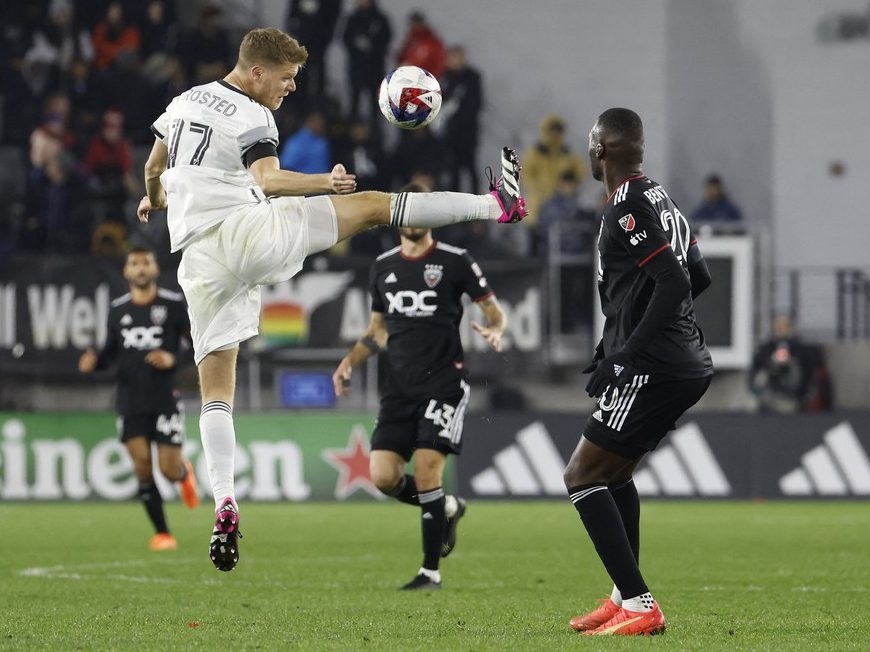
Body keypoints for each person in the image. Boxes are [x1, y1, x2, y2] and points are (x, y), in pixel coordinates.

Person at [135, 27, 527, 573]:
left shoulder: (182, 102)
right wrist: (325, 182)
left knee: (216, 389)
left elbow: (154, 170)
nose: (292, 87)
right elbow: (268, 180)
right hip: (247, 233)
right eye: (286, 78)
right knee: (370, 206)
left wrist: (154, 202)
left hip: (197, 261)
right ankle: (497, 206)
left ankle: (225, 499)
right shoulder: (253, 115)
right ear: (256, 73)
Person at [564, 108, 713, 636]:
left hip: (654, 364)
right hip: (681, 361)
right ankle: (620, 596)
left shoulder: (625, 204)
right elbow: (700, 276)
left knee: (581, 477)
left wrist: (630, 352)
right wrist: (616, 342)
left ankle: (640, 603)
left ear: (599, 148)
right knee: (615, 473)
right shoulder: (663, 199)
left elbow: (673, 284)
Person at [331, 182, 506, 590]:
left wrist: (496, 329)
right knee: (383, 477)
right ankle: (447, 506)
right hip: (398, 389)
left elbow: (494, 311)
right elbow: (378, 332)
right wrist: (349, 361)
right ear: (397, 216)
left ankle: (430, 572)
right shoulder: (383, 266)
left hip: (444, 383)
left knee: (428, 470)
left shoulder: (456, 261)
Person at [78, 246, 199, 551]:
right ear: (126, 272)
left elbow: (196, 345)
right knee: (143, 468)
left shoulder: (172, 305)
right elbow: (110, 353)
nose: (141, 267)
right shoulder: (118, 310)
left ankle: (184, 474)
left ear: (156, 270)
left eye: (146, 262)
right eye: (134, 263)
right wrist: (94, 363)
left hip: (164, 397)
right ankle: (163, 534)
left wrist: (173, 359)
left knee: (168, 470)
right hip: (130, 399)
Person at [748, 314, 832, 414]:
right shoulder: (765, 350)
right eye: (778, 328)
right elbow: (755, 376)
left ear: (791, 328)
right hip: (769, 396)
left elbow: (810, 378)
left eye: (784, 327)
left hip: (795, 398)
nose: (781, 330)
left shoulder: (804, 350)